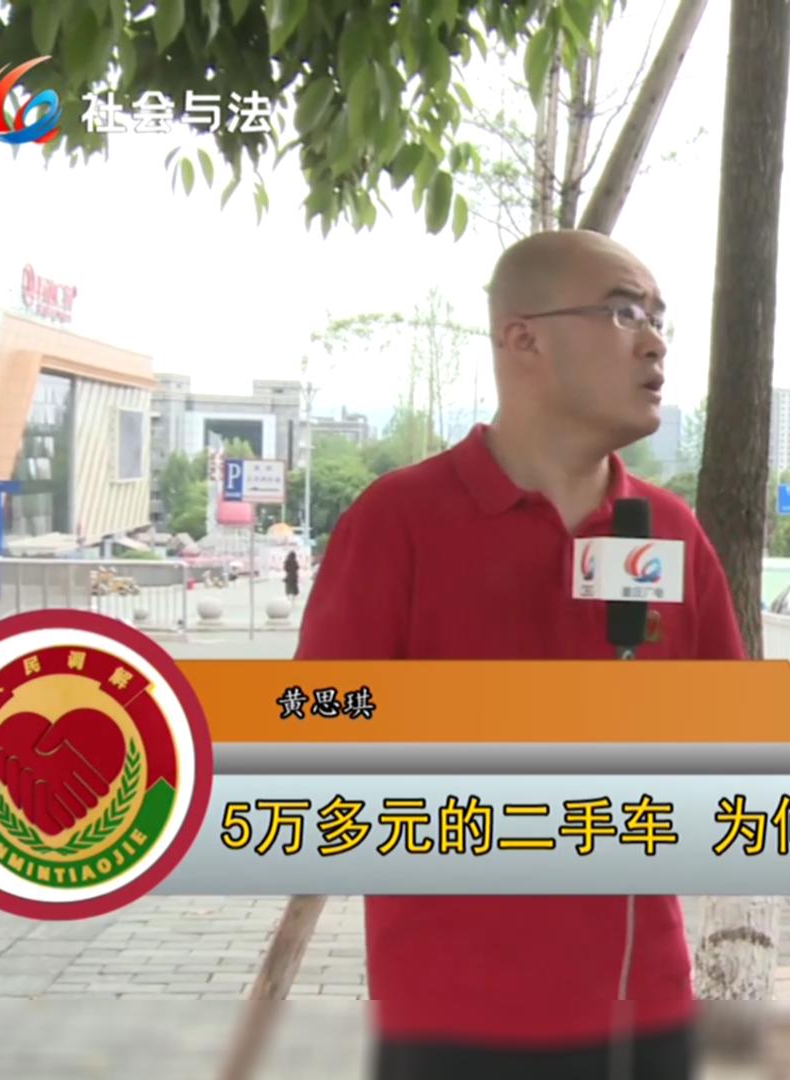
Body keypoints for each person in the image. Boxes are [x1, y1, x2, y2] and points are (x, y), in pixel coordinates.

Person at [295, 229, 746, 1080]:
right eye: (624, 313)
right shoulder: (400, 521)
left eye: (659, 319)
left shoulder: (668, 531)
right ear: (522, 337)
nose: (654, 342)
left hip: (642, 1010)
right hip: (453, 1020)